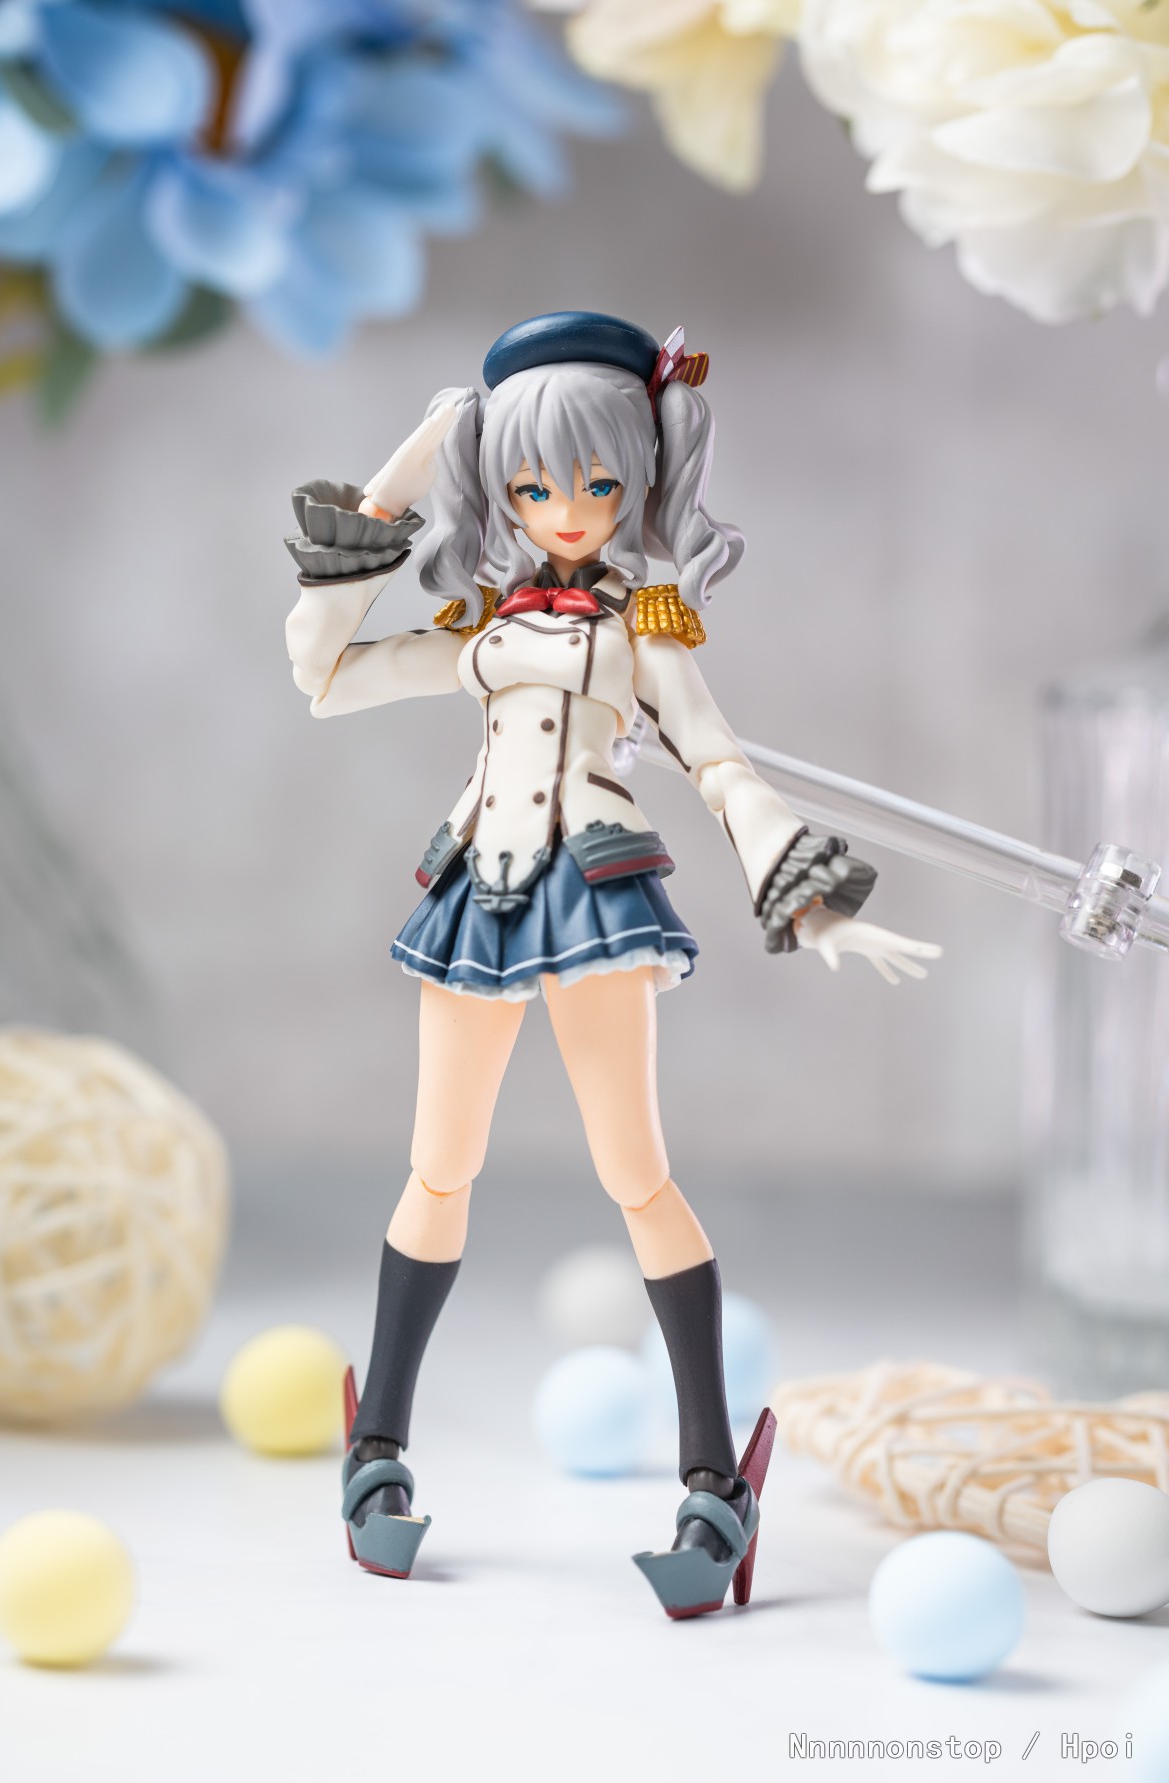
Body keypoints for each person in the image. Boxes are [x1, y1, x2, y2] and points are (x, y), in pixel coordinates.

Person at [283, 311, 940, 1618]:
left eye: (597, 482)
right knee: (439, 1166)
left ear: (640, 475)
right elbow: (324, 671)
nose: (570, 511)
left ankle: (714, 1474)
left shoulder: (647, 622)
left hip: (593, 897)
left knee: (635, 1171)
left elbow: (721, 765)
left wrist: (813, 903)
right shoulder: (481, 624)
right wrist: (405, 473)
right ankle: (378, 1444)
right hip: (478, 893)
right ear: (500, 487)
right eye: (533, 486)